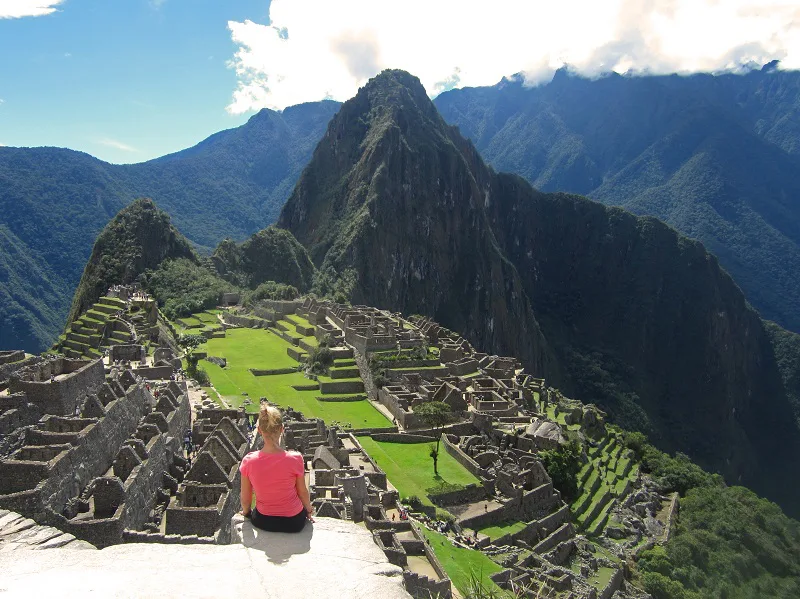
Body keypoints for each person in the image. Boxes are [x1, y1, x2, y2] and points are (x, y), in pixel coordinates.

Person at [239, 405, 314, 533]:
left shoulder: (249, 461)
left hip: (263, 520)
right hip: (294, 522)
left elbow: (246, 497)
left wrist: (246, 513)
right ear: (282, 429)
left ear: (259, 430)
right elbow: (302, 492)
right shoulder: (295, 458)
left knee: (258, 512)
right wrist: (308, 510)